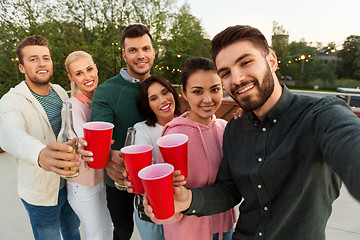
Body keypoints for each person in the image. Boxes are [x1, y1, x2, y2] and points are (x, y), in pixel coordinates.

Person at [145, 25, 360, 240]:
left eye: (246, 62)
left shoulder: (320, 114)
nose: (237, 79)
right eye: (226, 73)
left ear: (272, 61)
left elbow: (349, 143)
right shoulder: (235, 129)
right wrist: (187, 200)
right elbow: (228, 192)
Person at [0, 35, 81, 240]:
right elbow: (9, 133)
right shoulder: (12, 101)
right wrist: (39, 154)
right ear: (22, 67)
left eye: (46, 57)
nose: (42, 63)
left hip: (69, 184)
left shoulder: (60, 92)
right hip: (40, 195)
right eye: (33, 59)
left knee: (72, 231)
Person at [152, 57, 236, 240]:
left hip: (225, 230)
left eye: (214, 89)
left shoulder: (226, 128)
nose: (207, 99)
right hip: (187, 233)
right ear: (184, 92)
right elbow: (163, 196)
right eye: (198, 91)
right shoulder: (173, 136)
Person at [91, 24, 156, 239]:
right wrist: (108, 157)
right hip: (120, 178)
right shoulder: (107, 91)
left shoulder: (161, 89)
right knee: (123, 231)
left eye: (145, 49)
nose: (140, 55)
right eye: (133, 50)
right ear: (124, 54)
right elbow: (100, 136)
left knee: (162, 228)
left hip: (158, 175)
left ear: (153, 51)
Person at [64, 50, 113, 240]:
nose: (87, 77)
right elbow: (86, 140)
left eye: (89, 69)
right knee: (95, 234)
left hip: (102, 179)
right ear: (71, 78)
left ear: (96, 68)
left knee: (109, 227)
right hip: (83, 185)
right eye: (79, 73)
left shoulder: (101, 101)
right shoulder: (71, 106)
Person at [130, 75, 182, 240]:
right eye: (154, 98)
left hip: (183, 206)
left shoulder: (187, 122)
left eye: (165, 92)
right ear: (148, 106)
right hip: (151, 209)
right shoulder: (142, 129)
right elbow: (142, 170)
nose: (163, 100)